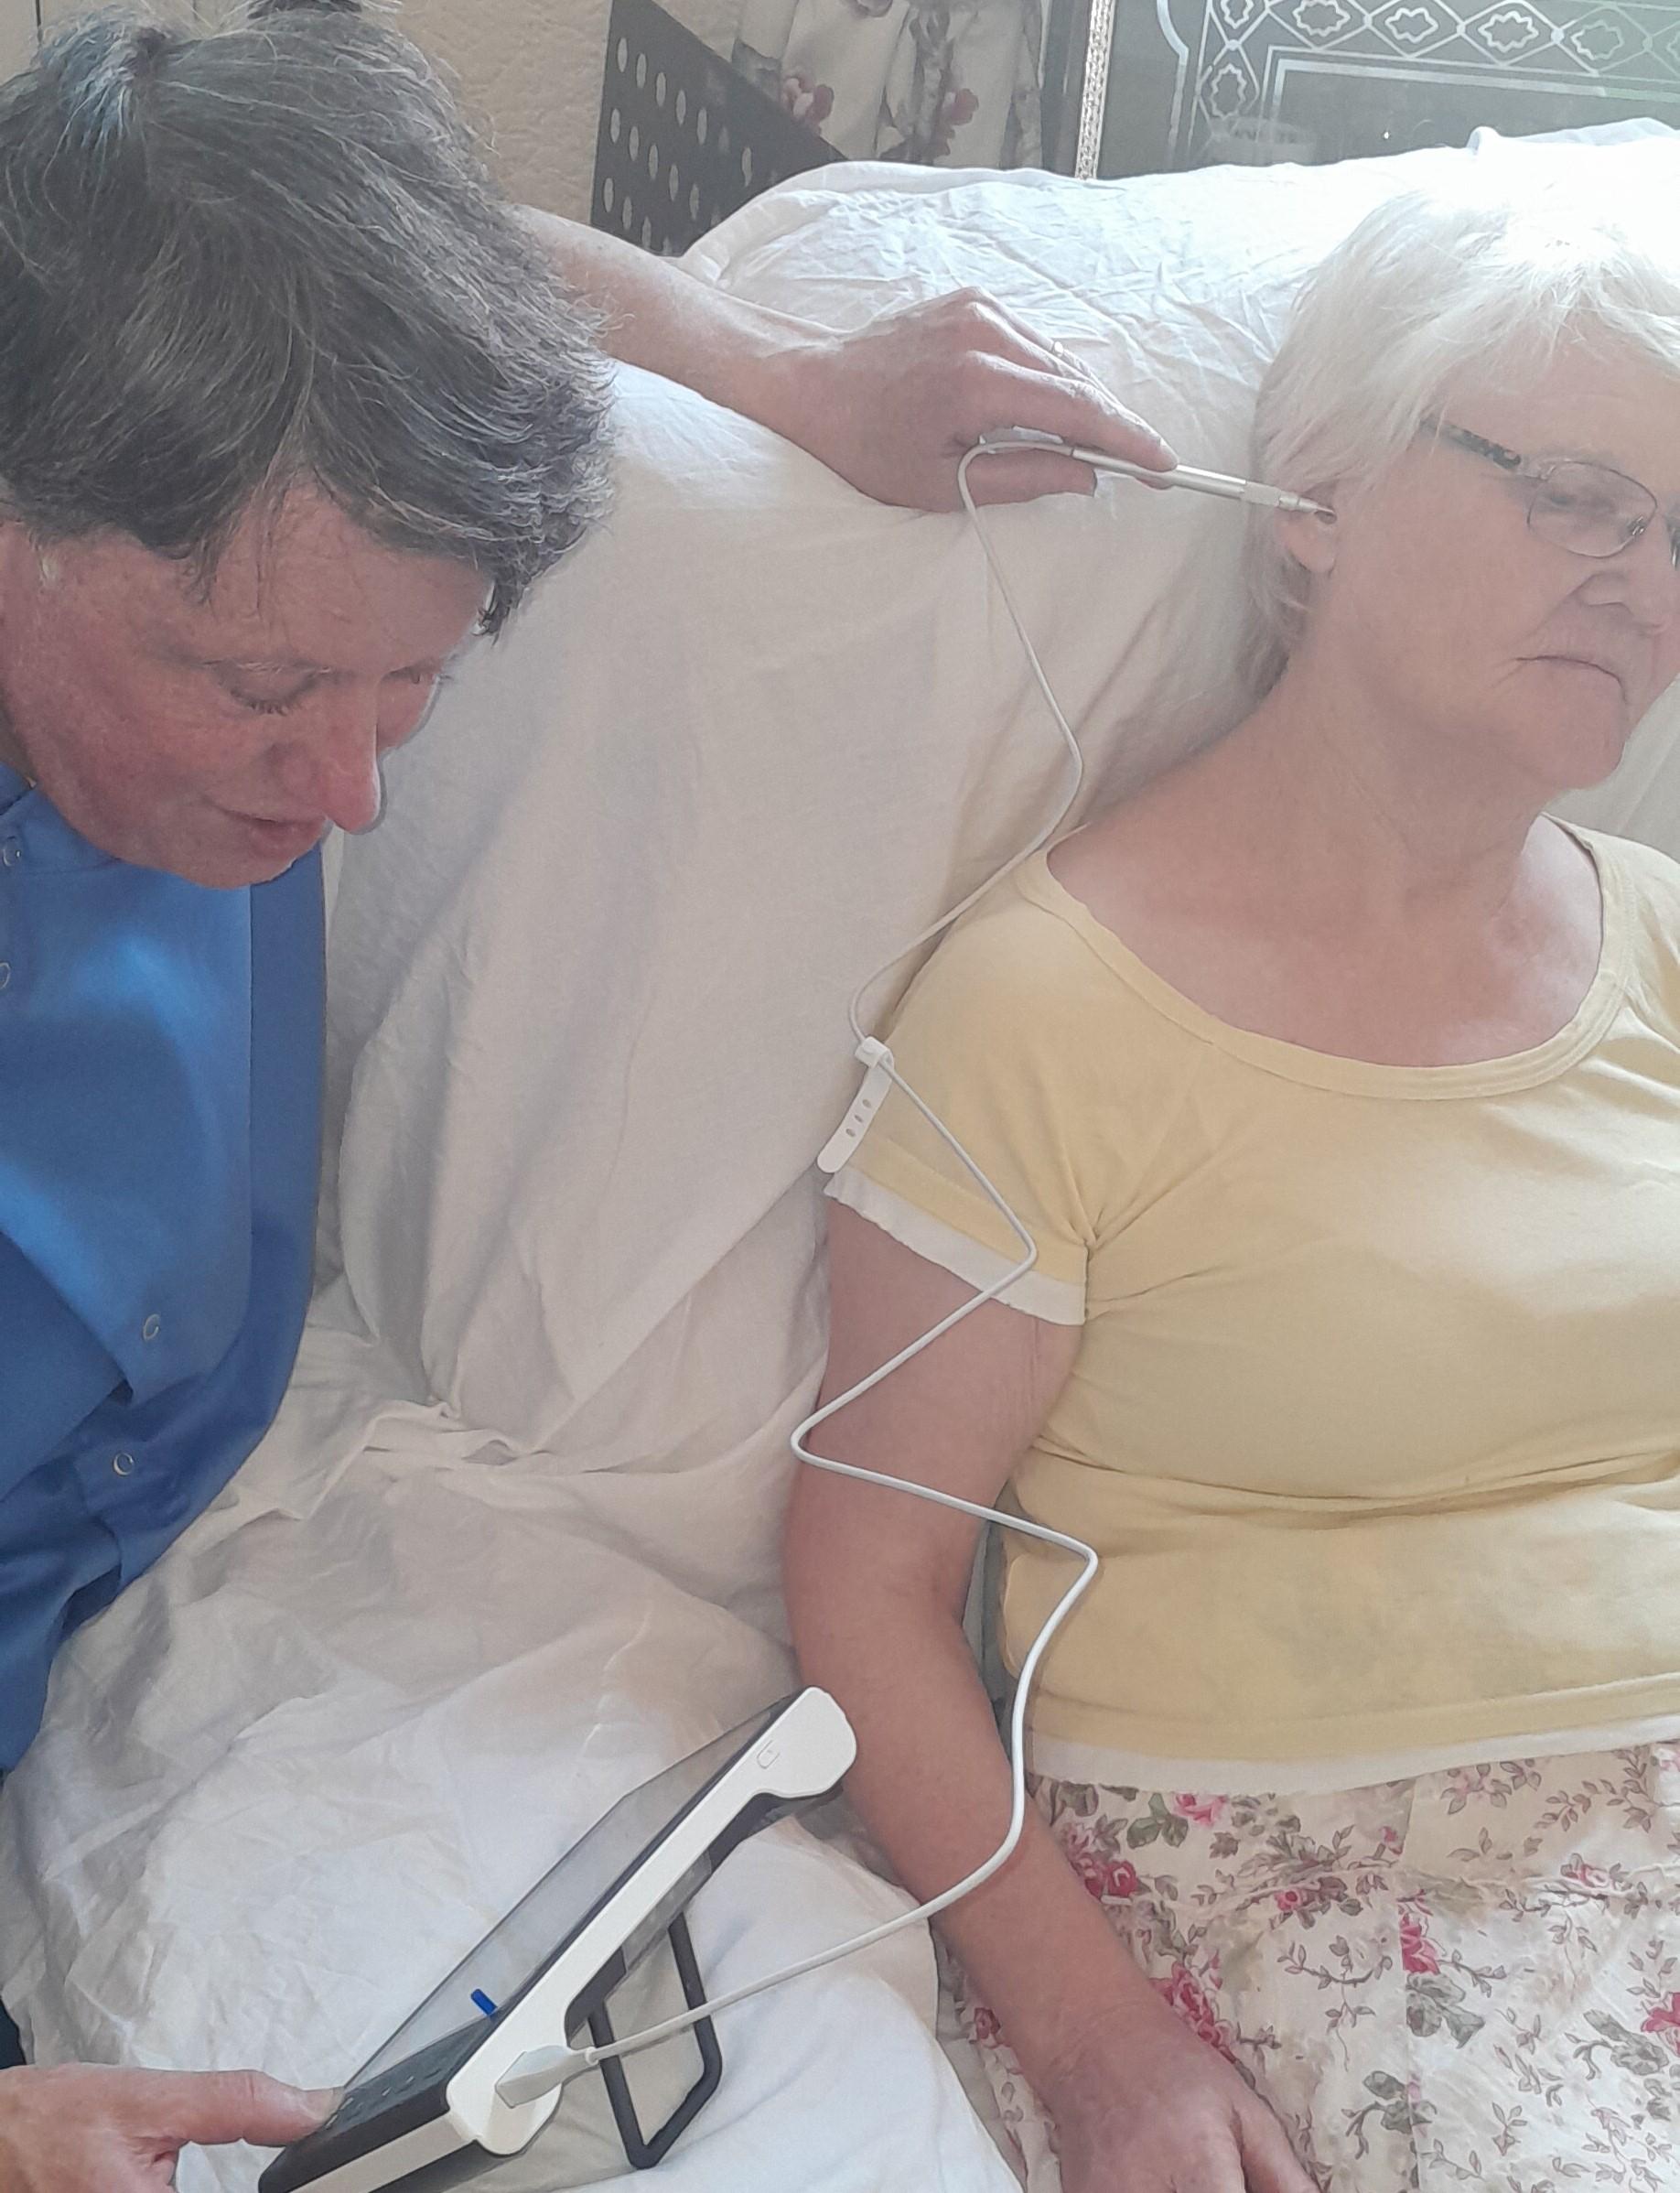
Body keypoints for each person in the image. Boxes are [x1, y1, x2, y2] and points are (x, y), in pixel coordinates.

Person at [0, 2, 1175, 2185]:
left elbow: (479, 265)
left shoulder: (185, 401)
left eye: (407, 683)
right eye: (263, 685)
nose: (346, 787)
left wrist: (782, 372)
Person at [789, 181, 1680, 2193]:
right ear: (1315, 499)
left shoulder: (1664, 948)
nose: (1643, 582)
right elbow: (865, 1585)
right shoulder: (1051, 1009)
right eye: (1574, 497)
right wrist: (1099, 2046)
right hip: (1332, 1883)